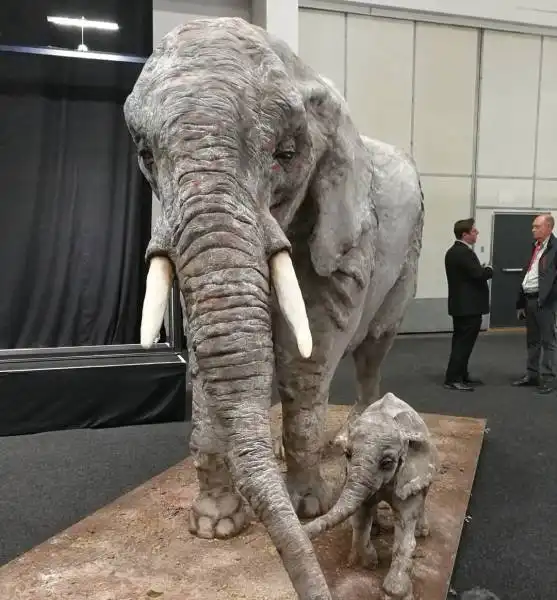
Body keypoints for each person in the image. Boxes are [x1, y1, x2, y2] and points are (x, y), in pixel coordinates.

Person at [444, 218, 493, 391]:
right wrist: (489, 270)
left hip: (461, 306)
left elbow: (469, 274)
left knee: (460, 342)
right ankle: (453, 379)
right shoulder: (464, 253)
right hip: (468, 307)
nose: (477, 232)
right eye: (473, 231)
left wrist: (480, 270)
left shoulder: (453, 252)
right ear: (464, 234)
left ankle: (461, 375)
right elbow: (478, 274)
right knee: (463, 344)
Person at [512, 213, 557, 394]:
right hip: (529, 299)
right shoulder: (535, 246)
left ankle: (549, 378)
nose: (533, 230)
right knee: (532, 340)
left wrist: (547, 297)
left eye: (537, 226)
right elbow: (527, 274)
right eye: (533, 226)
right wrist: (520, 303)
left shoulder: (555, 248)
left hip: (545, 302)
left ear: (549, 228)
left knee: (548, 341)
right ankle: (532, 375)